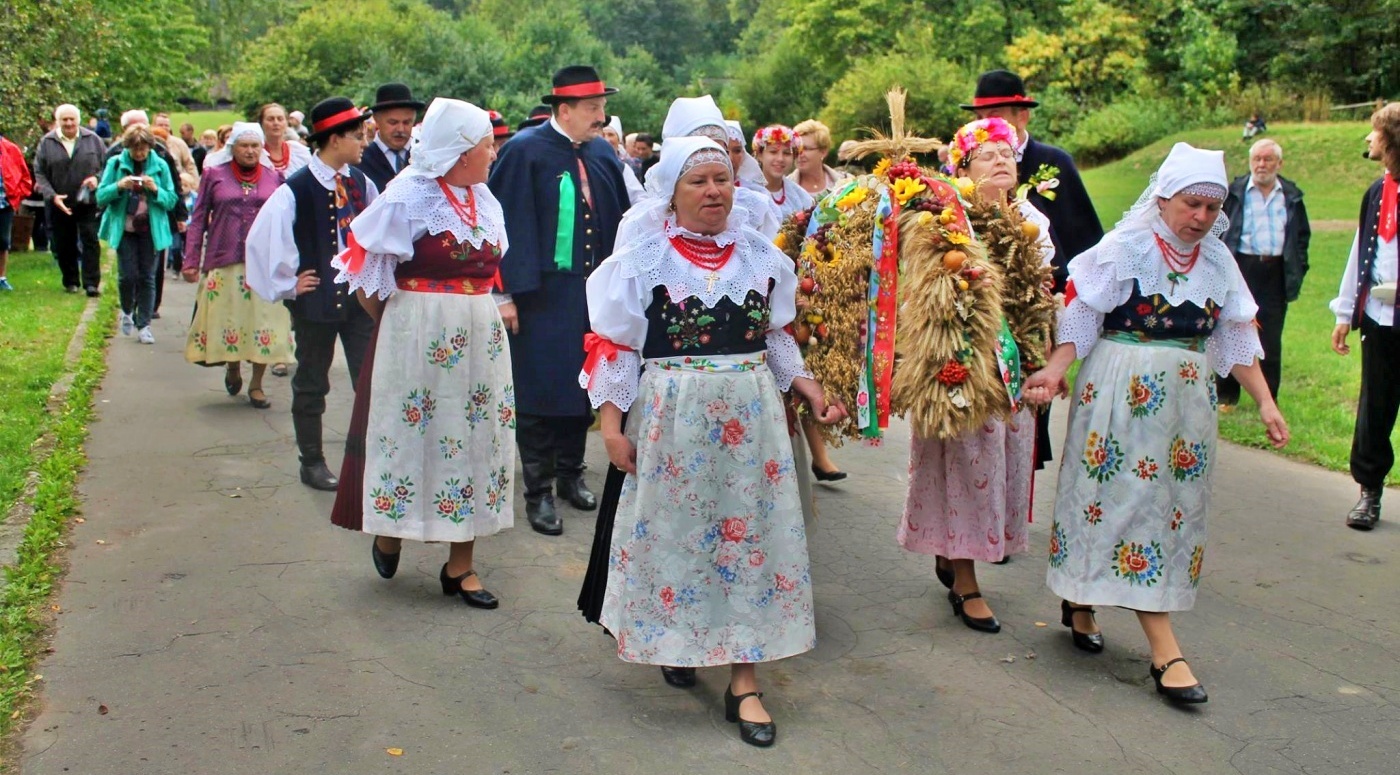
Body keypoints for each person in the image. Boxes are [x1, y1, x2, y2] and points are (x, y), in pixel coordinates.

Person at [579, 136, 846, 747]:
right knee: (681, 539)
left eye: (722, 180)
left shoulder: (762, 257)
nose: (713, 192)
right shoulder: (641, 262)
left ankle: (745, 681)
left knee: (747, 542)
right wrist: (613, 428)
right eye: (697, 182)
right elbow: (616, 348)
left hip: (751, 424)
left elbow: (777, 337)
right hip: (673, 423)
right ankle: (680, 641)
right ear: (670, 193)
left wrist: (807, 389)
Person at [1022, 143, 1289, 706]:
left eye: (1212, 210)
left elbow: (1235, 338)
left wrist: (1265, 401)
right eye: (1192, 204)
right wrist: (1054, 370)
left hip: (1186, 404)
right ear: (1164, 198)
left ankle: (1082, 596)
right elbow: (1084, 313)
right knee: (1114, 497)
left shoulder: (1217, 262)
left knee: (1169, 509)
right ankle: (1162, 646)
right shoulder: (1127, 248)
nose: (1201, 218)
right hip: (1121, 389)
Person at [329, 98, 516, 607]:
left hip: (480, 336)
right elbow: (366, 274)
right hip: (417, 337)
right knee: (414, 436)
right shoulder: (407, 196)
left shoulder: (486, 201)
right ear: (460, 152)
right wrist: (403, 328)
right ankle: (392, 528)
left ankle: (462, 566)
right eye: (485, 144)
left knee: (477, 440)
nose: (493, 152)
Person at [899, 117, 1055, 633]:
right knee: (965, 459)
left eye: (1007, 152)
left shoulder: (1032, 218)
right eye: (986, 154)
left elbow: (1043, 290)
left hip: (1015, 359)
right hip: (962, 354)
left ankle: (955, 551)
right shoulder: (947, 215)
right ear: (962, 167)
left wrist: (1045, 355)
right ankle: (965, 580)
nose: (1001, 160)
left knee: (1000, 458)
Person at [486, 65, 631, 536]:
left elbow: (623, 219)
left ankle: (571, 475)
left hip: (593, 293)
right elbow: (502, 224)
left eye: (602, 108)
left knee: (583, 386)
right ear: (564, 110)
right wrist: (504, 292)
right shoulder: (523, 152)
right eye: (593, 109)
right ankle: (538, 491)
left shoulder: (604, 155)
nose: (601, 117)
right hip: (541, 293)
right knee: (537, 392)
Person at [246, 97, 378, 491]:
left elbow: (375, 233)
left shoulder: (360, 182)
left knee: (370, 381)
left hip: (358, 300)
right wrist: (288, 283)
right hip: (316, 300)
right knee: (311, 381)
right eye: (357, 137)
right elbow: (263, 240)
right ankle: (312, 461)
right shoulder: (296, 190)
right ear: (335, 139)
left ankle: (370, 459)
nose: (363, 144)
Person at [181, 122, 293, 408]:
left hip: (264, 264)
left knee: (263, 322)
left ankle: (256, 384)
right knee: (229, 320)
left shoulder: (275, 178)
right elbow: (198, 219)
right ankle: (232, 365)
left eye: (255, 146)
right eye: (244, 145)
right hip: (224, 259)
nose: (250, 151)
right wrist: (191, 260)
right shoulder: (214, 175)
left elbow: (286, 223)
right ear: (233, 148)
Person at [962, 70, 1102, 292]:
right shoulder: (964, 167)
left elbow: (1083, 235)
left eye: (994, 115)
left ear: (1022, 116)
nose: (984, 125)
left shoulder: (1055, 163)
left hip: (1054, 287)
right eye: (979, 117)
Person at [1330, 103, 1400, 531]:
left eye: (1375, 133)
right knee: (1375, 405)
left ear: (1392, 141)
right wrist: (1344, 311)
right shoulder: (1376, 192)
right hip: (1379, 317)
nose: (1368, 140)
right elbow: (1361, 253)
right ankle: (1369, 492)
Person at [1218, 139, 1311, 407]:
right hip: (1241, 267)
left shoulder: (1291, 195)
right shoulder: (1234, 192)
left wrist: (1298, 266)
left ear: (1279, 163)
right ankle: (1226, 394)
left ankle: (1268, 399)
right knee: (1232, 327)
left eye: (1268, 159)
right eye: (1257, 159)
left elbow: (1302, 236)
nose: (1261, 164)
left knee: (1270, 335)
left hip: (1275, 272)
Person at [96, 125, 178, 344]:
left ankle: (144, 325)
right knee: (128, 275)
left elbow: (171, 199)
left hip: (150, 229)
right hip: (125, 228)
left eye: (143, 149)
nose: (140, 153)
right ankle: (127, 310)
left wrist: (155, 190)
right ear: (128, 147)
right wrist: (119, 186)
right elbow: (100, 196)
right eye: (135, 149)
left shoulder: (160, 165)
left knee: (148, 276)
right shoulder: (115, 164)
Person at [32, 104, 108, 295]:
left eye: (71, 119)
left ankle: (91, 283)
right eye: (64, 119)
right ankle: (71, 281)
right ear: (58, 121)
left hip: (87, 201)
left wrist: (96, 179)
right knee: (63, 243)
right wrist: (51, 195)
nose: (68, 122)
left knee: (90, 239)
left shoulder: (93, 140)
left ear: (78, 120)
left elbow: (107, 166)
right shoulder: (47, 142)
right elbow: (39, 172)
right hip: (59, 201)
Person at [355, 83, 425, 193]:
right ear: (377, 120)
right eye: (393, 122)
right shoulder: (360, 160)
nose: (400, 129)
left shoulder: (425, 156)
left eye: (407, 122)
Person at [752, 125, 812, 222]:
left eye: (787, 153)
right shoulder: (747, 191)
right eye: (773, 152)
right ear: (759, 155)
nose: (780, 159)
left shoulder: (801, 197)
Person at [0, 129, 33, 290]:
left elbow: (24, 176)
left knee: (3, 242)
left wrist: (17, 197)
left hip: (4, 203)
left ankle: (1, 277)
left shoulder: (10, 149)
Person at [789, 119, 849, 198]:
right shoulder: (783, 189)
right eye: (796, 149)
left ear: (823, 151)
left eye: (806, 149)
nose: (799, 154)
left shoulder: (846, 181)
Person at [257, 103, 312, 176]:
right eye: (270, 119)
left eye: (280, 119)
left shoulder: (300, 152)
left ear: (286, 123)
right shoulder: (257, 153)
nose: (276, 123)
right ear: (261, 124)